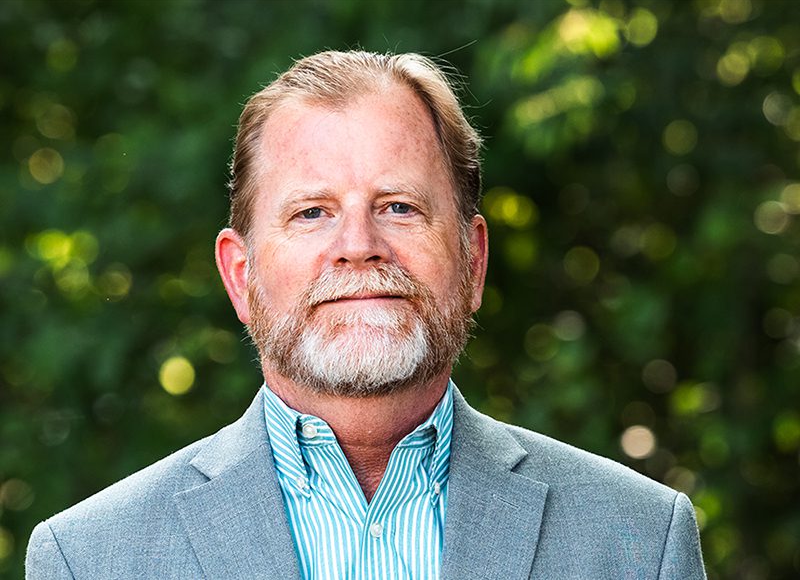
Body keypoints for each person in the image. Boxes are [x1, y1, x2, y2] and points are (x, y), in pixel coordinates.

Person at [26, 50, 706, 579]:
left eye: (400, 207)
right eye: (312, 212)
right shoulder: (88, 559)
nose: (358, 247)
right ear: (241, 275)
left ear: (472, 261)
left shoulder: (639, 539)